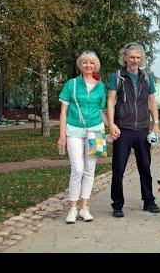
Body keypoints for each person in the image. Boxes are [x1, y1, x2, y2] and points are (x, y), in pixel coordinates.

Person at [107, 42, 160, 218]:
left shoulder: (147, 77)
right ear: (125, 58)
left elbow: (152, 101)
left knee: (145, 167)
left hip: (142, 129)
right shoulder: (117, 76)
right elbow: (110, 102)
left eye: (138, 58)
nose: (135, 60)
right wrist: (111, 124)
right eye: (132, 57)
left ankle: (149, 201)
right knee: (119, 168)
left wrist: (156, 124)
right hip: (123, 129)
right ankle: (117, 204)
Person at [58, 50, 108, 224]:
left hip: (96, 130)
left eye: (91, 63)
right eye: (85, 62)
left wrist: (112, 126)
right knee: (77, 169)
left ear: (95, 65)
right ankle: (72, 208)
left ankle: (84, 208)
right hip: (74, 129)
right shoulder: (71, 85)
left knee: (89, 170)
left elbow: (102, 111)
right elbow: (63, 112)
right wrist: (62, 135)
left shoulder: (100, 86)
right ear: (80, 64)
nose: (88, 65)